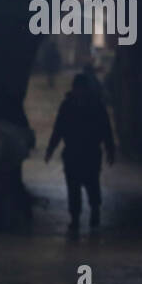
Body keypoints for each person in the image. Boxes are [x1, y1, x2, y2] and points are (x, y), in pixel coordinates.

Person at [45, 73, 115, 231]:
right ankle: (75, 218)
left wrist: (110, 149)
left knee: (92, 185)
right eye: (77, 89)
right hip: (72, 154)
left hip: (91, 153)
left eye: (82, 89)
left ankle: (95, 212)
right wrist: (51, 148)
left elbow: (106, 129)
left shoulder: (96, 106)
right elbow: (59, 129)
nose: (80, 92)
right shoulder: (67, 106)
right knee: (73, 187)